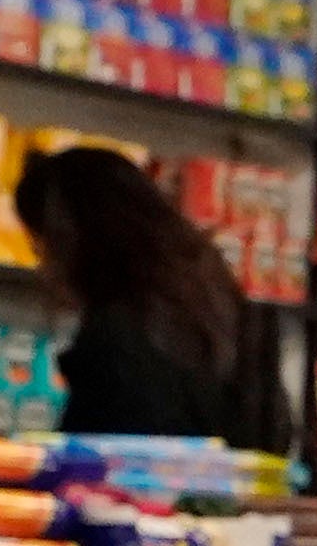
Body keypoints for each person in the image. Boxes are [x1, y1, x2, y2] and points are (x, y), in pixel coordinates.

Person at [16, 144, 248, 444]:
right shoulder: (210, 299)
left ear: (73, 241)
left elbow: (98, 460)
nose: (45, 270)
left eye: (42, 249)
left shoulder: (117, 338)